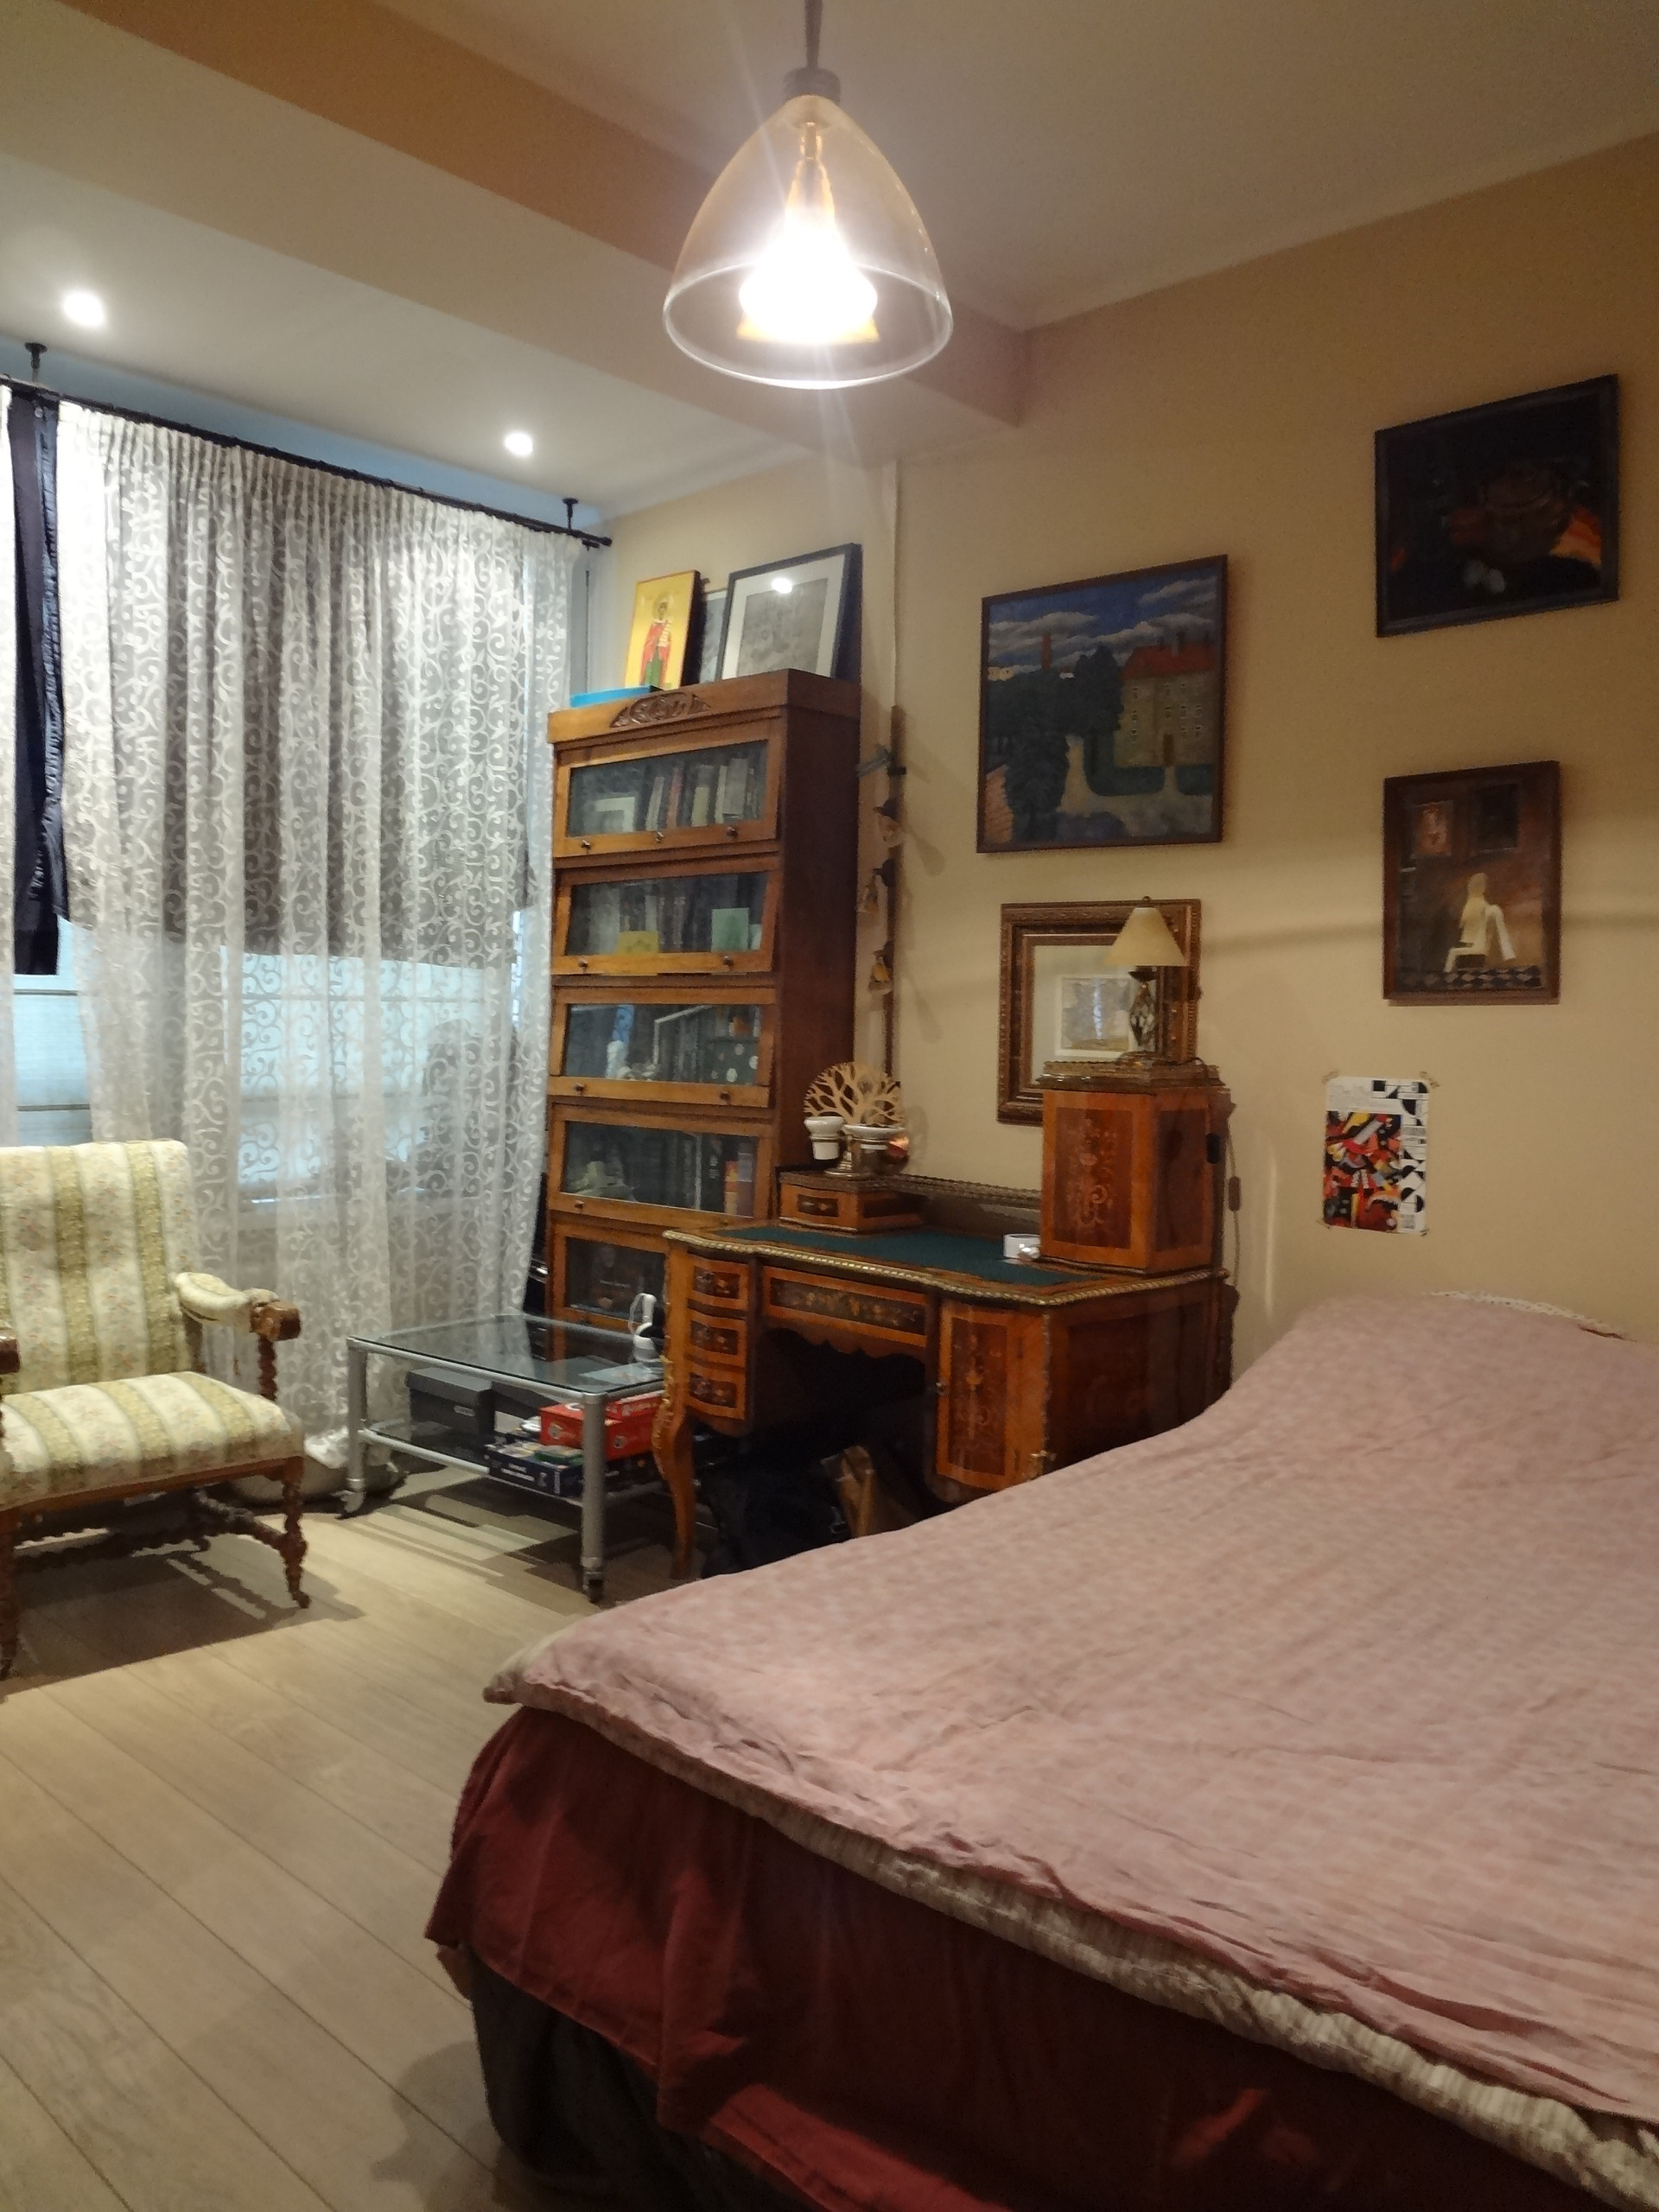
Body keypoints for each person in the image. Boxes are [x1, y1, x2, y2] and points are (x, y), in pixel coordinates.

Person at [1444, 871, 1516, 970]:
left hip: (1478, 946)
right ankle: (1508, 953)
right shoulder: (1474, 906)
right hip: (1475, 945)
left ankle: (1508, 953)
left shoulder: (1484, 908)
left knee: (1453, 953)